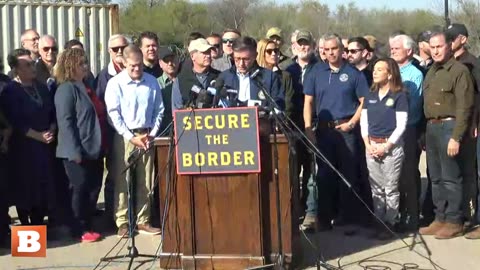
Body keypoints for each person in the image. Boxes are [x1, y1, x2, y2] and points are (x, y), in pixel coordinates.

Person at [303, 33, 369, 231]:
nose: (331, 53)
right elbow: (308, 101)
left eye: (334, 49)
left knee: (348, 175)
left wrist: (353, 122)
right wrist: (308, 129)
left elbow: (365, 102)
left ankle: (347, 218)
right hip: (324, 131)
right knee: (323, 175)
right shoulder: (315, 71)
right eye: (327, 49)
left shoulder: (354, 73)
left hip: (346, 130)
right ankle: (324, 218)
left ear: (342, 50)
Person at [419, 31, 475, 239]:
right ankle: (440, 217)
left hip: (449, 127)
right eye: (432, 47)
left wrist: (456, 136)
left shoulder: (459, 71)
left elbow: (464, 107)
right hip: (432, 127)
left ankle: (454, 220)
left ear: (449, 46)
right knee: (435, 176)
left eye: (439, 46)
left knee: (451, 177)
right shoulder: (432, 71)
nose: (435, 51)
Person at [105, 44, 164, 238]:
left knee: (146, 180)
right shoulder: (115, 84)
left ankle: (143, 220)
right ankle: (122, 221)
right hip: (125, 137)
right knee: (123, 180)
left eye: (139, 66)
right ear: (124, 63)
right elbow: (114, 114)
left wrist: (152, 134)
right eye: (132, 66)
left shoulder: (152, 82)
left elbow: (159, 109)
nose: (137, 69)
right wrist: (131, 136)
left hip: (147, 135)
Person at [54, 48, 105, 242]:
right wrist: (74, 150)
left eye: (86, 62)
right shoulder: (66, 89)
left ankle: (88, 223)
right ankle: (78, 228)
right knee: (79, 189)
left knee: (92, 188)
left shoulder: (87, 86)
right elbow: (65, 122)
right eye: (81, 63)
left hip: (93, 149)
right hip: (76, 151)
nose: (86, 66)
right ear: (70, 66)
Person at [2, 49, 56, 226]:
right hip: (23, 149)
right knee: (25, 194)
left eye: (33, 63)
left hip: (43, 148)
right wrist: (38, 135)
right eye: (27, 65)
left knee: (41, 192)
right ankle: (27, 242)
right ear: (17, 70)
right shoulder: (10, 91)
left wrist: (51, 129)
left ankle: (38, 229)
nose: (33, 67)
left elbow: (51, 112)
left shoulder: (41, 87)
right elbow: (15, 121)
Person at [361, 58, 408, 239]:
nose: (375, 72)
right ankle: (378, 220)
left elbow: (401, 125)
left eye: (380, 69)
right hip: (371, 145)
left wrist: (386, 146)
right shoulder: (370, 95)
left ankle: (391, 222)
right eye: (375, 69)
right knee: (376, 188)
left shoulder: (399, 95)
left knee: (390, 187)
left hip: (391, 147)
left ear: (390, 74)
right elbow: (364, 122)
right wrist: (368, 144)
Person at [445, 23, 480, 234]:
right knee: (464, 174)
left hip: (472, 126)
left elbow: (476, 98)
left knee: (475, 174)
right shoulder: (447, 64)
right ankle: (466, 216)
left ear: (463, 39)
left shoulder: (472, 64)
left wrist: (475, 121)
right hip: (456, 126)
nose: (449, 41)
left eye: (452, 38)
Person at [389, 34, 425, 231]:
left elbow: (415, 106)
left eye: (396, 48)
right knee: (394, 175)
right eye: (391, 48)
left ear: (409, 51)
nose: (392, 51)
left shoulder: (415, 74)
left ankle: (412, 214)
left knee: (408, 174)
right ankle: (396, 214)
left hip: (408, 129)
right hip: (389, 131)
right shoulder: (390, 72)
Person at [95, 34, 130, 228]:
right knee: (115, 177)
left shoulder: (136, 70)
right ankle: (112, 217)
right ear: (109, 51)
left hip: (135, 134)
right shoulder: (104, 76)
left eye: (122, 47)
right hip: (114, 133)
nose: (119, 51)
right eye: (115, 49)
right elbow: (101, 108)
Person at [218, 36, 284, 110]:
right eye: (237, 59)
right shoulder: (224, 77)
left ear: (255, 56)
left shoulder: (270, 77)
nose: (241, 64)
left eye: (246, 59)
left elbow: (279, 106)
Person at [171, 38, 220, 110]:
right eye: (203, 52)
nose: (208, 56)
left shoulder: (220, 77)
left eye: (209, 52)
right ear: (192, 56)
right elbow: (176, 111)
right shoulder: (181, 80)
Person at [157, 47, 177, 135]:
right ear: (160, 63)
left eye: (172, 60)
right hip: (162, 131)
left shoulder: (185, 81)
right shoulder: (155, 84)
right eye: (166, 61)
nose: (170, 63)